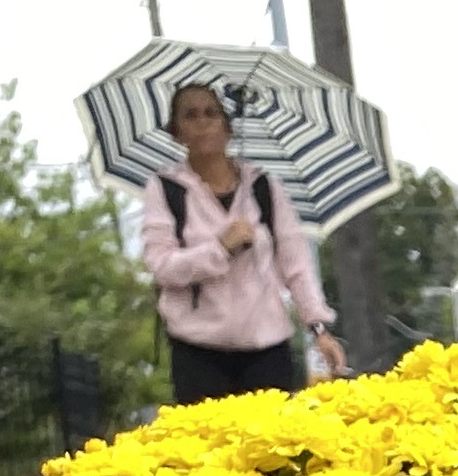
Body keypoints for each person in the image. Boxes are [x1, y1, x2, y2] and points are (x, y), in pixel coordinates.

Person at [140, 81, 344, 400]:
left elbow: (296, 264)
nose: (203, 122)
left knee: (272, 445)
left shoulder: (262, 187)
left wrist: (318, 327)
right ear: (176, 132)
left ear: (228, 127)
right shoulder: (166, 190)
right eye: (190, 115)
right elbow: (162, 267)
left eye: (211, 113)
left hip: (266, 348)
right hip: (198, 352)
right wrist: (220, 248)